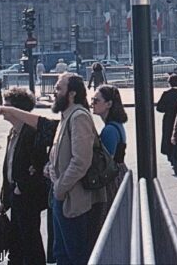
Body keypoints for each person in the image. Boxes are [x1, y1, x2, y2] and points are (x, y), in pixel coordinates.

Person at [47, 72, 105, 264]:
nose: (54, 92)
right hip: (62, 196)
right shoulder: (67, 115)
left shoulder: (78, 116)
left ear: (71, 94)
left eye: (58, 88)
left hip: (73, 200)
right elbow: (59, 152)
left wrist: (60, 189)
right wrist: (49, 168)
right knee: (60, 253)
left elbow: (81, 161)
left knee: (75, 256)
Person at [0, 87, 49, 265]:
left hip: (27, 196)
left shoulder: (31, 133)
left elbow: (40, 166)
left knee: (30, 241)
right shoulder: (13, 132)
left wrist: (22, 187)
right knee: (17, 241)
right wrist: (6, 195)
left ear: (17, 110)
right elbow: (9, 165)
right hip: (14, 193)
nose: (2, 108)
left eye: (7, 106)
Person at [89, 84, 128, 248]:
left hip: (112, 179)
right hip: (119, 174)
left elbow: (104, 163)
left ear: (109, 104)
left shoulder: (109, 131)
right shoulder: (115, 126)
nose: (92, 103)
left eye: (96, 100)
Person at [156, 75, 177, 176]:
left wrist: (167, 108)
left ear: (169, 83)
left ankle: (171, 158)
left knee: (168, 138)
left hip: (168, 119)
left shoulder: (166, 94)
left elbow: (159, 108)